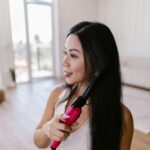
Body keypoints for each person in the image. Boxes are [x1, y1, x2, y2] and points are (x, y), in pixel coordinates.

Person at [33, 21, 134, 150]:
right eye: (66, 53)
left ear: (98, 63)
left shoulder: (123, 117)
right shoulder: (57, 95)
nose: (64, 63)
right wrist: (47, 129)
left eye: (74, 55)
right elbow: (38, 141)